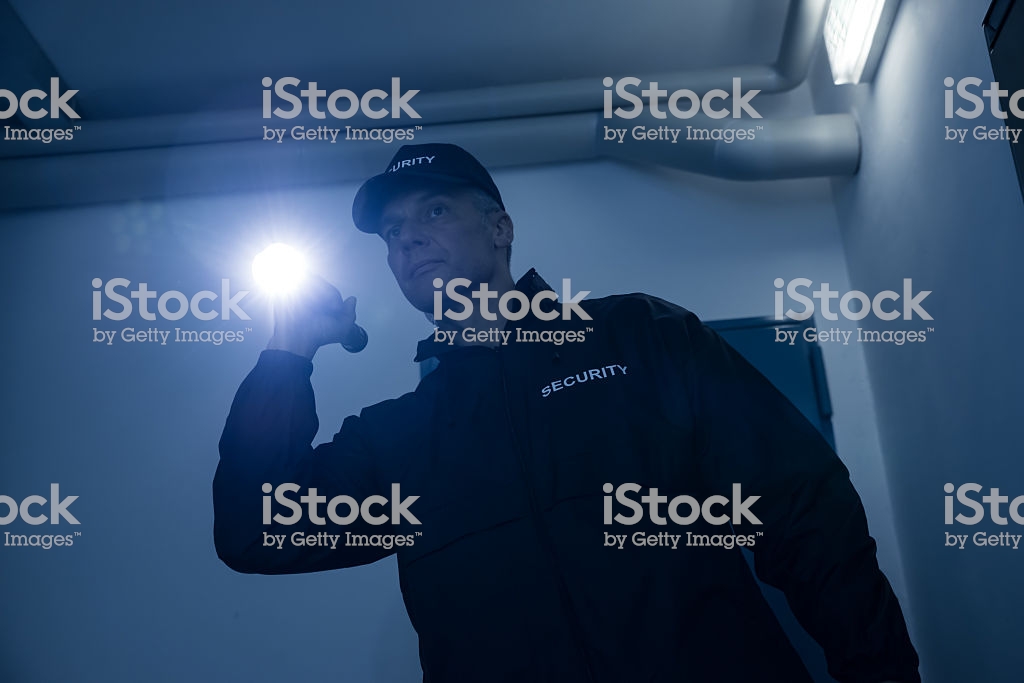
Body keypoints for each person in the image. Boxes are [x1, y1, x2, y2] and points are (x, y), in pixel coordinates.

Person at [213, 143, 920, 683]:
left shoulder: (640, 337)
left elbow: (804, 508)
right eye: (392, 231)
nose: (407, 239)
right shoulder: (397, 438)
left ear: (499, 228)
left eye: (433, 211)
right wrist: (289, 351)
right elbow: (255, 529)